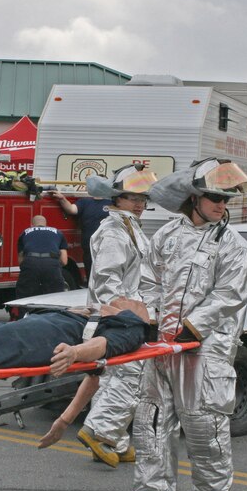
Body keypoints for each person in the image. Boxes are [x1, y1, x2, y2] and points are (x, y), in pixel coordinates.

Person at [127, 158, 247, 491]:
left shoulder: (235, 246)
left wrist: (195, 326)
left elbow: (230, 294)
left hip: (205, 347)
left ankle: (210, 487)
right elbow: (149, 280)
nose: (221, 205)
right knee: (152, 418)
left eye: (226, 199)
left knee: (203, 420)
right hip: (161, 346)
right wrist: (150, 319)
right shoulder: (167, 235)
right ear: (194, 197)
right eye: (214, 196)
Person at [72, 163, 157, 467]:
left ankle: (115, 443)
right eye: (133, 198)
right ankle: (100, 432)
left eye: (143, 199)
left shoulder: (127, 227)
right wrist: (127, 318)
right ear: (117, 198)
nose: (140, 204)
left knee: (111, 381)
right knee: (131, 378)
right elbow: (108, 281)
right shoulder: (113, 232)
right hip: (117, 320)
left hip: (118, 318)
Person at [0, 297, 151, 374]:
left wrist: (74, 353)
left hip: (52, 336)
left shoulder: (133, 326)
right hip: (40, 323)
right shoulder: (96, 309)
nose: (124, 297)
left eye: (133, 300)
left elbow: (104, 345)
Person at [51, 190, 109, 278]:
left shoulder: (112, 202)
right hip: (89, 246)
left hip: (108, 245)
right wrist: (62, 198)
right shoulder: (84, 202)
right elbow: (71, 209)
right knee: (91, 276)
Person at [15, 214, 68, 298]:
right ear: (46, 225)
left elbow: (21, 260)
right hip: (51, 263)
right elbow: (64, 261)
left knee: (24, 295)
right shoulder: (58, 232)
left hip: (31, 262)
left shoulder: (25, 232)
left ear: (32, 225)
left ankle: (25, 311)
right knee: (56, 295)